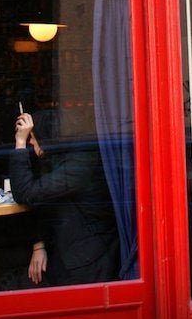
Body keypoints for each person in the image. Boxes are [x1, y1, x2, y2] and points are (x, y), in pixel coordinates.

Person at [9, 110, 119, 287]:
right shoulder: (59, 159)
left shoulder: (78, 164)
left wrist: (20, 142)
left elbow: (25, 193)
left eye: (33, 138)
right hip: (68, 249)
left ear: (48, 139)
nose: (31, 142)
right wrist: (39, 244)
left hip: (88, 259)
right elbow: (43, 204)